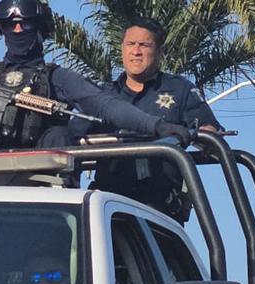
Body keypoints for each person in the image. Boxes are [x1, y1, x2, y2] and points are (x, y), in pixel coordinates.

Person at [0, 1, 192, 150]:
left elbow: (106, 106)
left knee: (59, 136)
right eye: (11, 25)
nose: (18, 29)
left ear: (41, 29)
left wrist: (157, 126)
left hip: (38, 191)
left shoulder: (58, 79)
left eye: (26, 24)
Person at [74, 17, 222, 220]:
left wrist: (204, 137)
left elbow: (209, 133)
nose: (136, 51)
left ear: (160, 52)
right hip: (109, 209)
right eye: (130, 44)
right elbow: (73, 136)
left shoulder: (180, 89)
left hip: (160, 212)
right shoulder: (103, 96)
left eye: (144, 45)